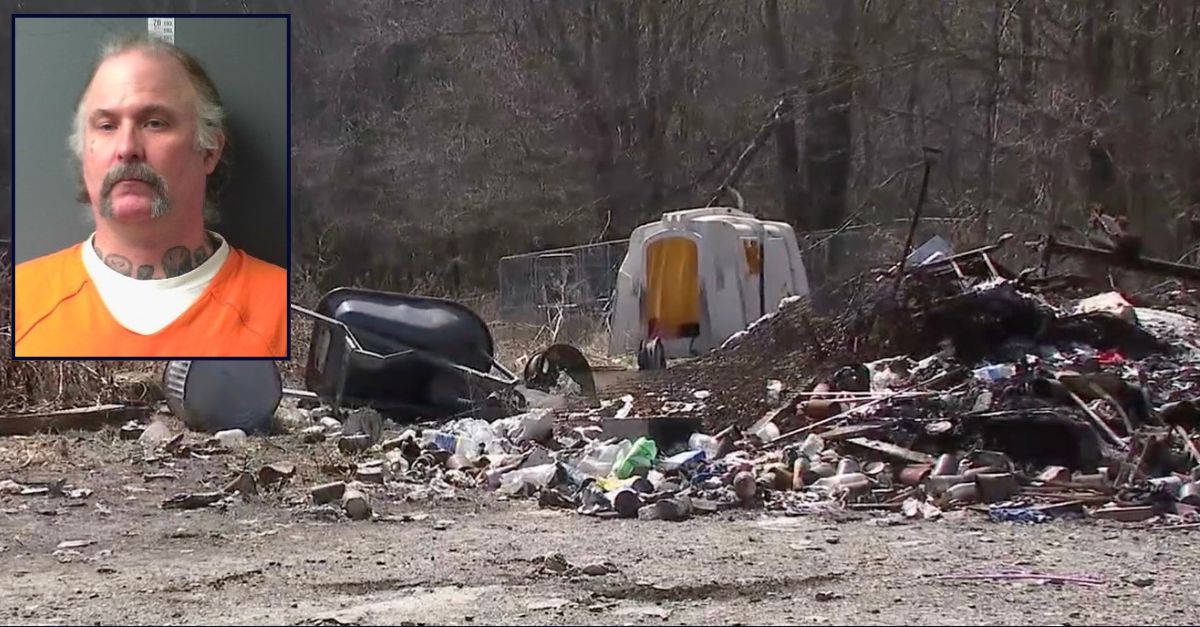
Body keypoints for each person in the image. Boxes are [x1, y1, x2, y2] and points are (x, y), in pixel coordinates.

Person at [14, 33, 287, 358]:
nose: (127, 148)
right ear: (82, 151)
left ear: (210, 150)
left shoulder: (283, 311)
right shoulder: (18, 301)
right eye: (106, 126)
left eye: (154, 123)